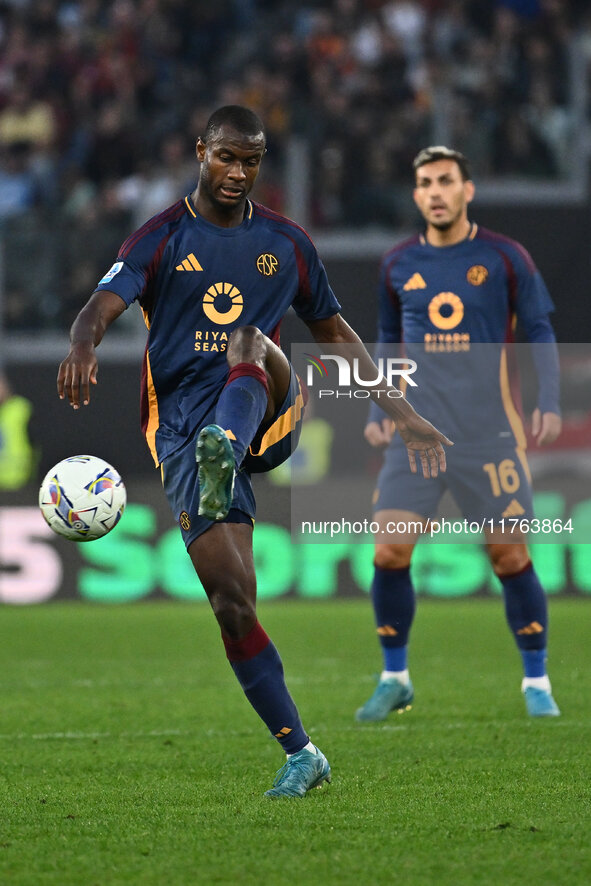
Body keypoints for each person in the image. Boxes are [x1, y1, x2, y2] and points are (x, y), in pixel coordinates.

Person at [57, 106, 451, 798]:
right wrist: (83, 344)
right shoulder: (160, 237)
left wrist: (405, 415)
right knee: (232, 602)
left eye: (251, 161)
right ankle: (302, 753)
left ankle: (226, 442)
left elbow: (335, 335)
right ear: (200, 153)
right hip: (179, 431)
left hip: (263, 405)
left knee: (247, 336)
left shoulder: (287, 244)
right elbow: (101, 304)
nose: (238, 173)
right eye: (226, 158)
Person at [356, 145, 562, 724]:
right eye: (426, 183)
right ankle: (394, 677)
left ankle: (536, 680)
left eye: (447, 180)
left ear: (467, 189)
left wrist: (548, 401)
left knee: (509, 557)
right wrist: (378, 410)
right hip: (414, 435)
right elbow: (387, 338)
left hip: (489, 435)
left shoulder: (504, 257)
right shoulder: (396, 263)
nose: (437, 191)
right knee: (389, 551)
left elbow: (540, 327)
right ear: (417, 195)